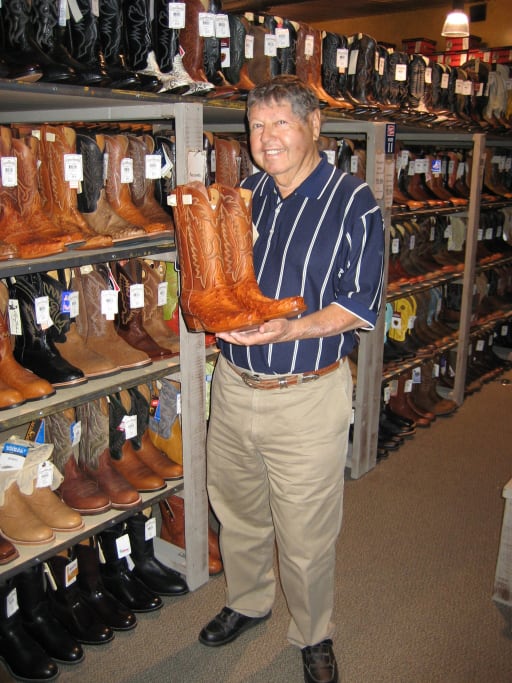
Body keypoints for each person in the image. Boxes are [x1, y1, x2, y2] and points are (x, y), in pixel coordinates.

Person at [199, 75, 385, 683]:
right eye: (257, 125)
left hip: (306, 392)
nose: (267, 137)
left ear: (314, 127)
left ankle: (313, 634)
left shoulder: (354, 202)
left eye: (281, 123)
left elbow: (363, 303)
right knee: (238, 511)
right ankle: (248, 601)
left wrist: (292, 329)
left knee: (306, 533)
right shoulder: (244, 193)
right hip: (233, 387)